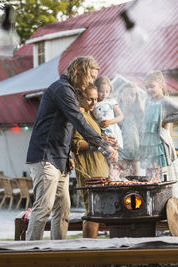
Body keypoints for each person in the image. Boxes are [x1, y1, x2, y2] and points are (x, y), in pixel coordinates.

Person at [26, 56, 118, 241]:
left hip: (59, 159)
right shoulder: (62, 89)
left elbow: (64, 128)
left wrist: (67, 154)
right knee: (44, 208)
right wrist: (104, 145)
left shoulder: (69, 91)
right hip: (46, 157)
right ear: (78, 71)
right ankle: (31, 254)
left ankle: (58, 253)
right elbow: (79, 122)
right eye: (90, 76)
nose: (92, 82)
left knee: (63, 210)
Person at [71, 85, 113, 238]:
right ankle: (87, 250)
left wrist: (108, 143)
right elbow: (76, 144)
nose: (94, 103)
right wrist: (100, 142)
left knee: (99, 211)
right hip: (89, 170)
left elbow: (98, 142)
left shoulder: (92, 115)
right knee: (92, 212)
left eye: (96, 99)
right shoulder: (78, 116)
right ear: (79, 98)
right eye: (89, 99)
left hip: (101, 168)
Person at [140, 71, 178, 182]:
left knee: (158, 169)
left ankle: (159, 187)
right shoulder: (148, 101)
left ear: (161, 85)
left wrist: (166, 120)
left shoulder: (165, 101)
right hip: (148, 141)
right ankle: (150, 186)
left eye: (152, 86)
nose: (149, 90)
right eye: (147, 87)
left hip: (158, 142)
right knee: (149, 169)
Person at [117, 82, 143, 177]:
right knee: (121, 182)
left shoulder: (138, 114)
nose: (129, 97)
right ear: (120, 95)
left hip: (135, 157)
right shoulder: (116, 113)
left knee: (135, 182)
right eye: (126, 94)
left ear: (136, 97)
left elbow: (141, 134)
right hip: (120, 156)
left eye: (132, 95)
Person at [93, 76, 124, 149]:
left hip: (112, 130)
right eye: (101, 91)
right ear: (96, 90)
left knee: (114, 148)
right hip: (101, 132)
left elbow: (121, 116)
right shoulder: (93, 103)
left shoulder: (111, 102)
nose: (104, 94)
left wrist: (110, 122)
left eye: (107, 91)